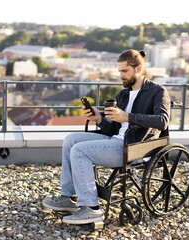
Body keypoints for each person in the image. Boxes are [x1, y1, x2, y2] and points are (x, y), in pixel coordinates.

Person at [42, 49, 171, 224]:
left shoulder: (157, 91)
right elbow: (114, 130)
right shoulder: (123, 94)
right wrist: (99, 119)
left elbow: (163, 121)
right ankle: (69, 197)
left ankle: (92, 209)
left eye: (124, 71)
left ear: (138, 69)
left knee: (79, 151)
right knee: (70, 140)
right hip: (117, 141)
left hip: (134, 147)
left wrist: (128, 117)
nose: (121, 76)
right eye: (119, 71)